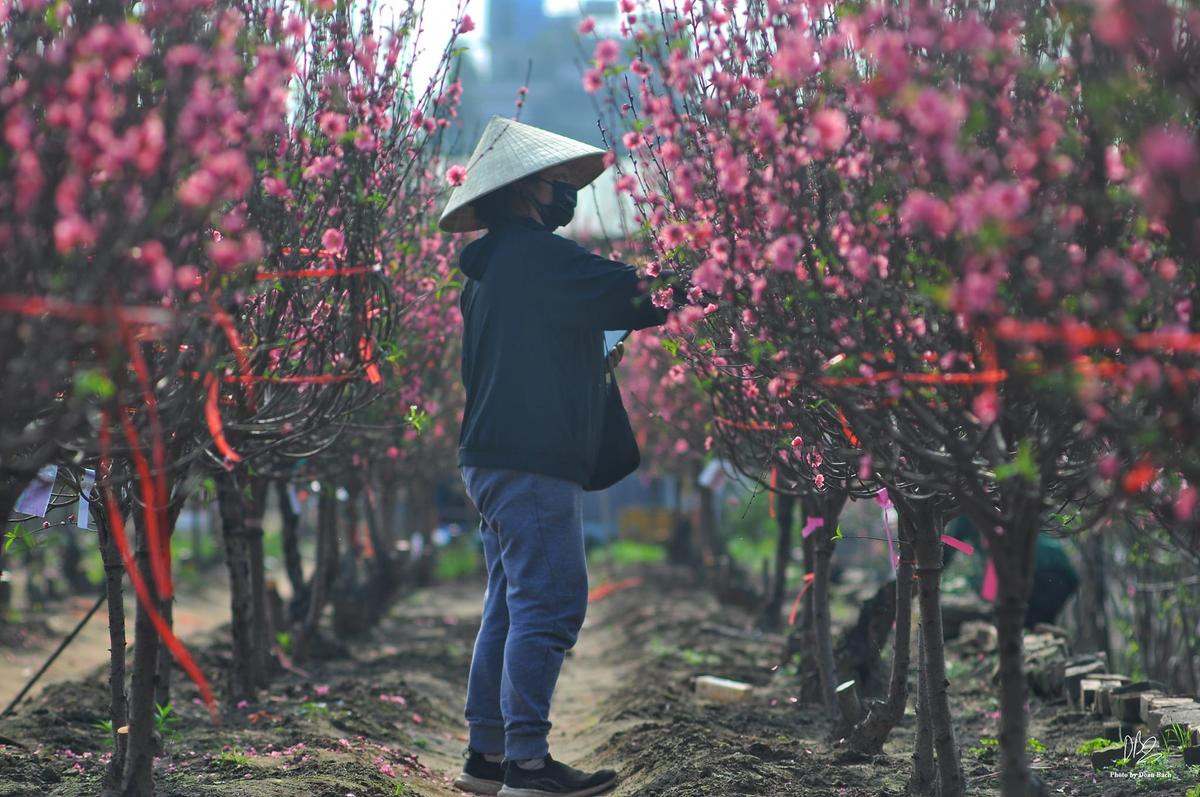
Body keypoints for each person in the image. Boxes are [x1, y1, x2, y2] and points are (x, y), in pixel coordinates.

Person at [439, 116, 679, 797]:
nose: (564, 195)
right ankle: (529, 766)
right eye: (556, 182)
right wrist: (699, 278)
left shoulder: (488, 274)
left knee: (511, 606)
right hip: (530, 460)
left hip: (490, 455)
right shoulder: (536, 258)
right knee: (550, 602)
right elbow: (635, 292)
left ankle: (487, 757)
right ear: (524, 192)